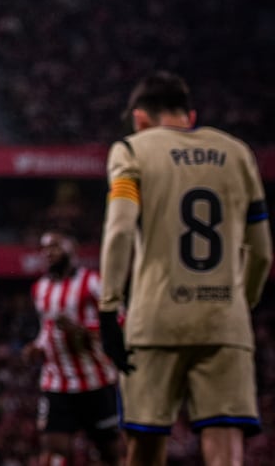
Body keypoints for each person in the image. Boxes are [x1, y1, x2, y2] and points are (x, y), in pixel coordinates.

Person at [98, 71, 271, 466]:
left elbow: (121, 231)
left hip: (155, 320)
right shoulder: (238, 153)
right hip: (224, 321)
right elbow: (261, 252)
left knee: (144, 442)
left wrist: (109, 306)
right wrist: (239, 306)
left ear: (140, 118)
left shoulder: (133, 149)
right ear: (190, 117)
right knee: (225, 445)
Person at [24, 231, 121, 465]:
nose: (48, 252)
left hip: (95, 380)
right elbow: (46, 329)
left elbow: (119, 321)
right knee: (53, 452)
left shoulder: (93, 282)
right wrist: (36, 347)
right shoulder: (40, 288)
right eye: (44, 248)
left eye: (55, 246)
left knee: (111, 453)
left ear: (71, 248)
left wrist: (82, 330)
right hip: (57, 382)